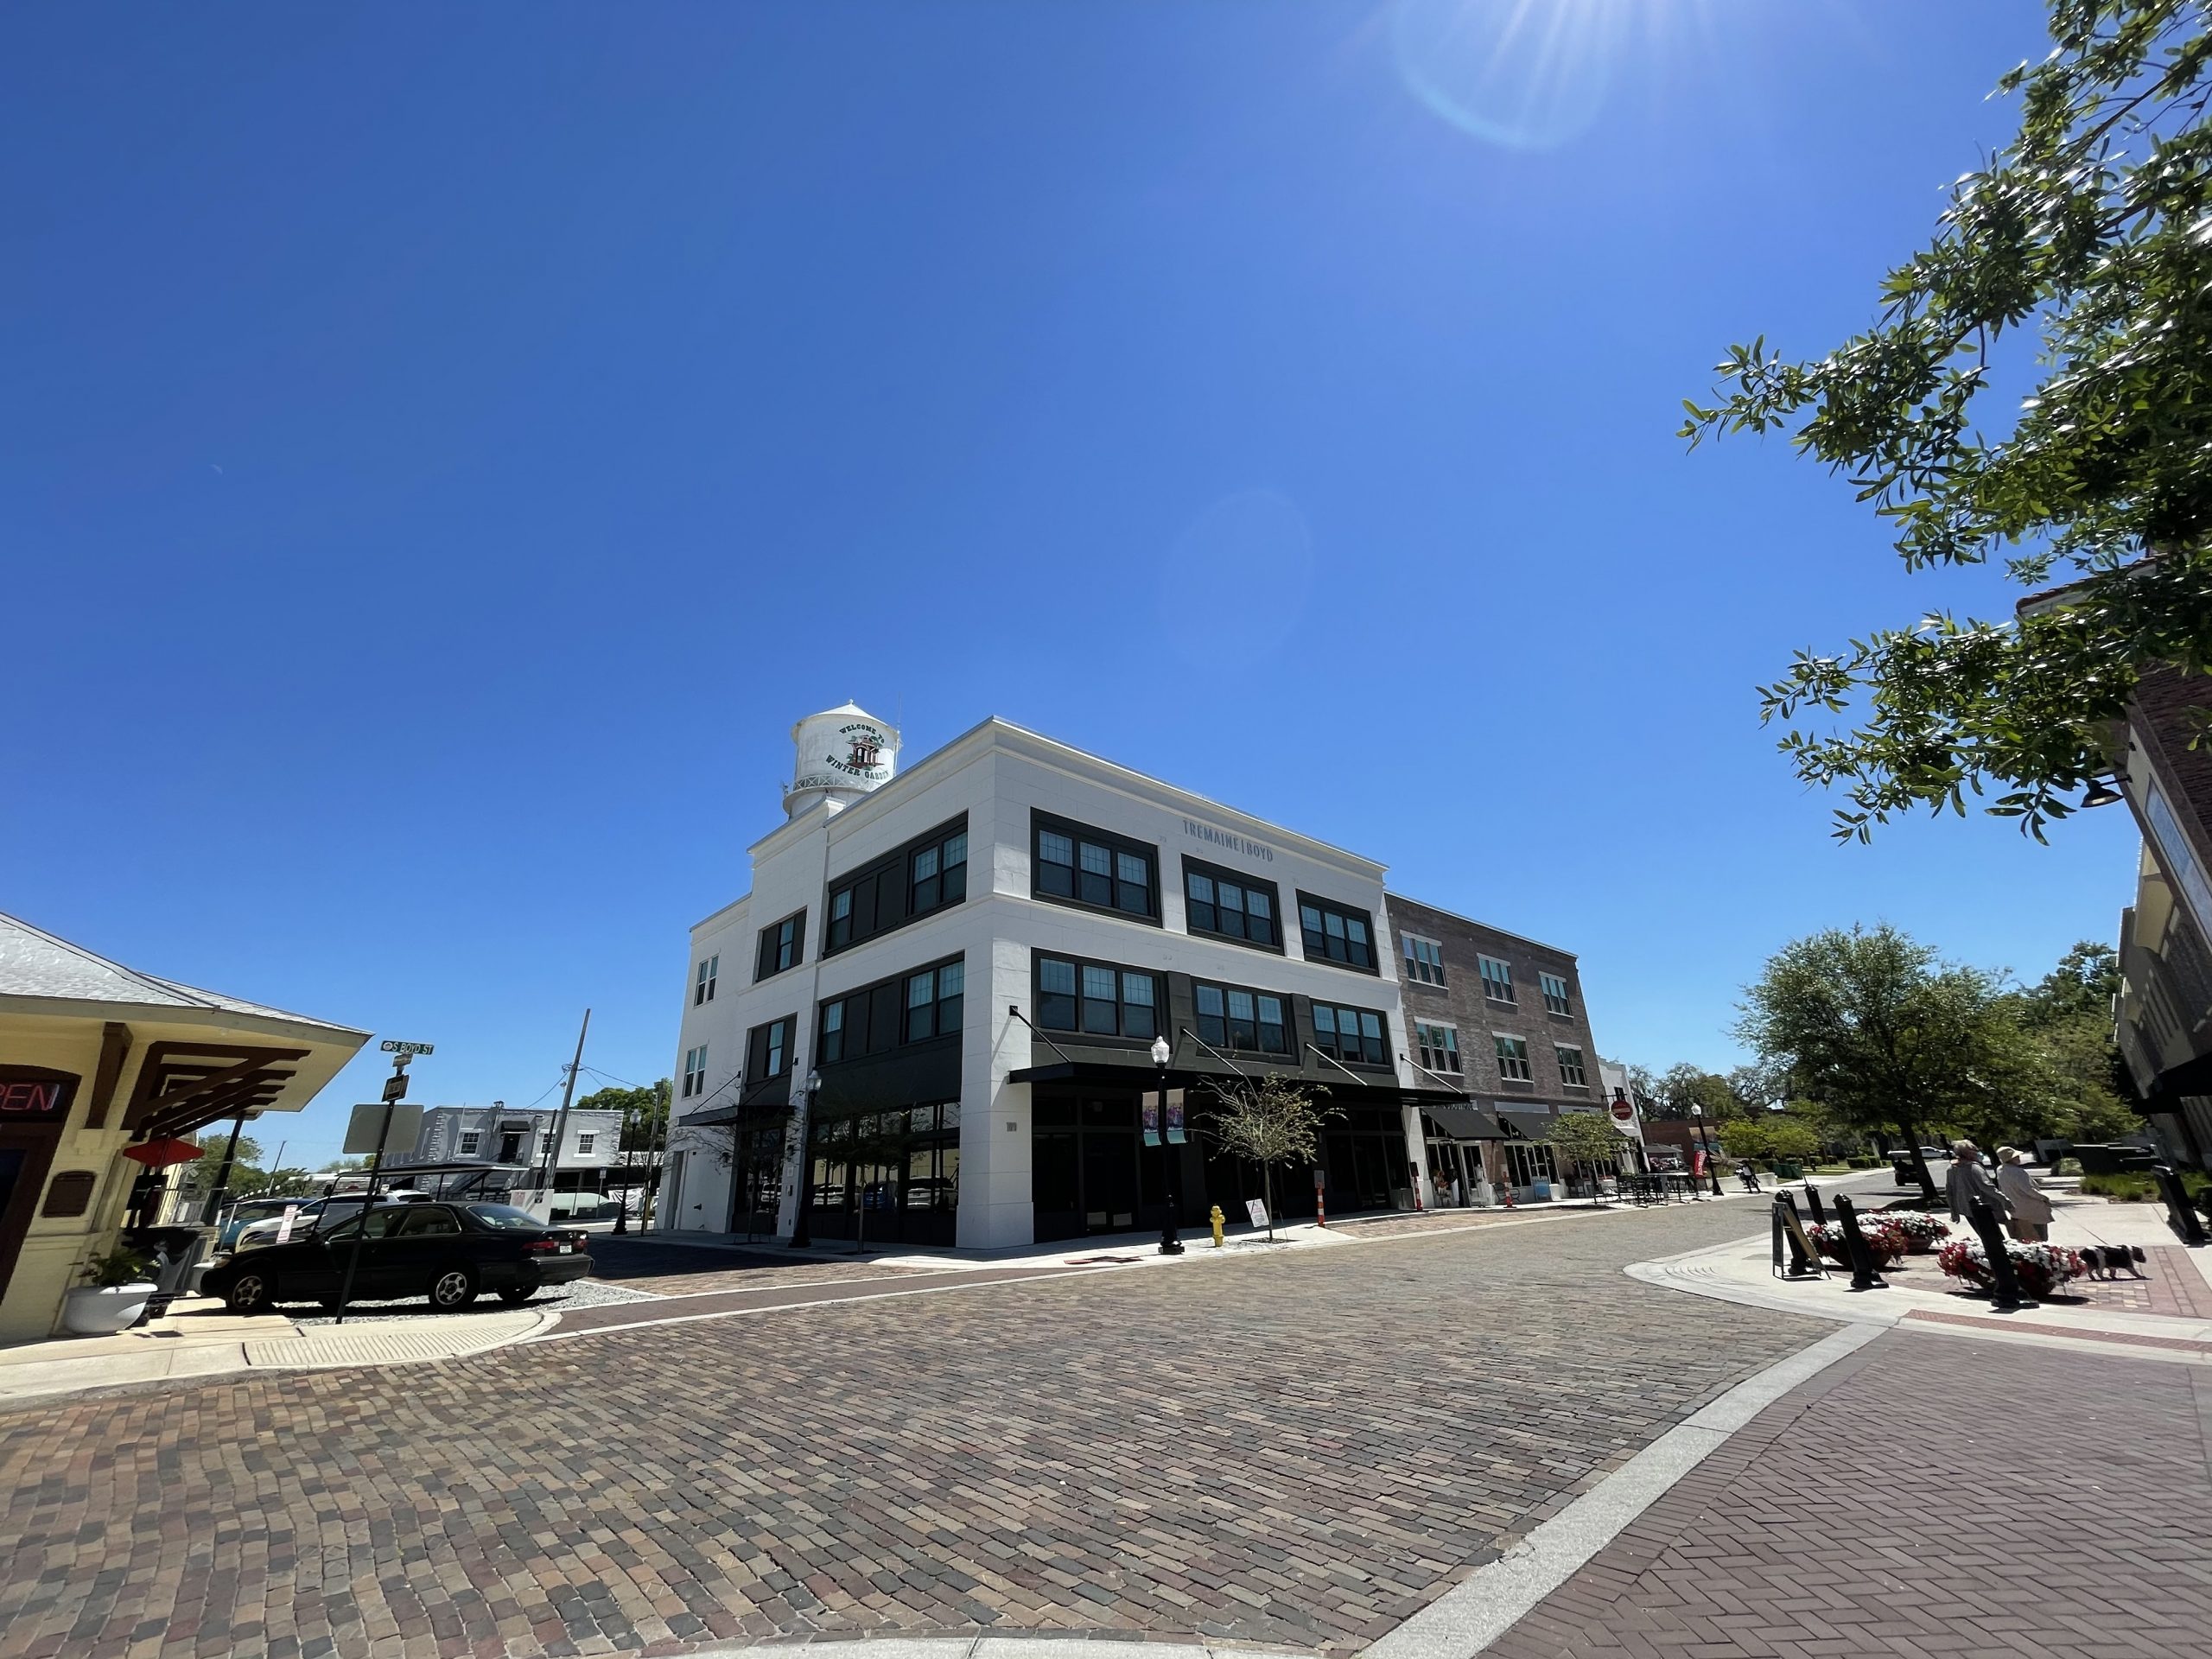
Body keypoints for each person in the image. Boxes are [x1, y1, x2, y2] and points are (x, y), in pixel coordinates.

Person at [1946, 1138, 2010, 1230]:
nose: (1976, 1152)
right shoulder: (1974, 1167)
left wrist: (1954, 1211)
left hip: (1967, 1209)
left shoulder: (1951, 1168)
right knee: (1993, 1235)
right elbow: (1987, 1187)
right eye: (1974, 1151)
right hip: (1984, 1207)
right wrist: (2005, 1200)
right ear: (1968, 1153)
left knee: (1983, 1234)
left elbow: (1949, 1191)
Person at [1995, 1146, 2054, 1243]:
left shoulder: (2000, 1170)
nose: (2018, 1158)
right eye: (2016, 1157)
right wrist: (2044, 1198)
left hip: (2015, 1209)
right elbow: (2029, 1190)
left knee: (2023, 1238)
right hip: (2032, 1210)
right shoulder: (2018, 1172)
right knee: (2040, 1237)